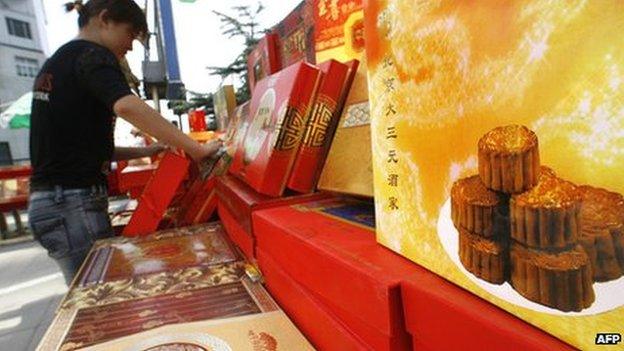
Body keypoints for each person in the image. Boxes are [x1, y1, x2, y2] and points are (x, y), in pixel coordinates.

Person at [27, 0, 222, 284]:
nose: (129, 47)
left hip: (55, 202)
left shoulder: (59, 62)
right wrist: (198, 149)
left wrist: (148, 150)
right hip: (72, 204)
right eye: (130, 34)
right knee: (100, 295)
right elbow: (127, 107)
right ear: (104, 19)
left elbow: (84, 147)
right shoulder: (92, 55)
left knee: (91, 293)